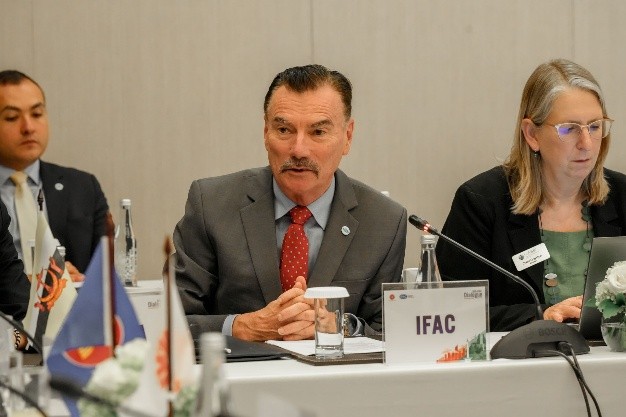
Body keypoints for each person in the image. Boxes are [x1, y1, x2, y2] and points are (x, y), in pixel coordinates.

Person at [174, 64, 407, 342]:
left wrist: (339, 326)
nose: (298, 150)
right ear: (266, 132)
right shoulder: (211, 204)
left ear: (347, 137)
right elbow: (171, 322)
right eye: (284, 129)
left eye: (318, 132)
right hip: (238, 368)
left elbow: (389, 334)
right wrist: (243, 327)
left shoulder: (383, 222)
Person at [436, 58, 626, 331]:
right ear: (532, 134)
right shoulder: (481, 202)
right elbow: (451, 312)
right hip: (518, 356)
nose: (586, 143)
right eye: (569, 129)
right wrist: (540, 315)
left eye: (595, 127)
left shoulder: (622, 196)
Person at [0, 70, 109, 281]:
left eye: (37, 114)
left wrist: (79, 281)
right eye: (12, 117)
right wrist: (25, 284)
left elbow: (106, 274)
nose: (28, 127)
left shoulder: (83, 187)